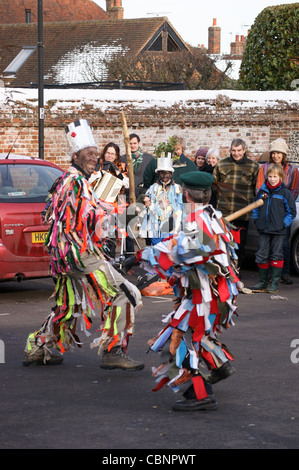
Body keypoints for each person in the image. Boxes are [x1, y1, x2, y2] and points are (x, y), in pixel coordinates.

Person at [23, 119, 144, 371]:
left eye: (95, 154)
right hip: (79, 256)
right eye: (88, 154)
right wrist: (130, 216)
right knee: (124, 293)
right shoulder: (75, 183)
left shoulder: (69, 180)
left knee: (70, 305)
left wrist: (124, 211)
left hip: (64, 257)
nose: (94, 158)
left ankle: (38, 347)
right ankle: (113, 351)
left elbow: (88, 213)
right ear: (76, 155)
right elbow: (93, 222)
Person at [139, 171, 239, 412]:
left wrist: (151, 255)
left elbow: (188, 255)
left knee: (177, 344)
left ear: (185, 194)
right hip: (212, 296)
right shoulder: (212, 216)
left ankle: (199, 394)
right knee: (197, 336)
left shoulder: (195, 221)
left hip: (201, 296)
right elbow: (184, 244)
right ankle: (219, 364)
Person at [256, 138, 299, 284]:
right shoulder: (264, 168)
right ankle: (266, 275)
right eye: (273, 153)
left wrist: (282, 203)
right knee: (265, 246)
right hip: (267, 210)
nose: (276, 156)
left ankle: (284, 273)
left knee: (283, 245)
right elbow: (259, 188)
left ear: (283, 154)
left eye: (278, 153)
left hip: (282, 211)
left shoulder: (292, 170)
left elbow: (294, 189)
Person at [213, 138, 259, 269]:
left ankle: (237, 271)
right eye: (233, 150)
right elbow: (214, 187)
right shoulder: (221, 165)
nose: (236, 153)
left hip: (243, 214)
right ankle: (224, 271)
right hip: (224, 214)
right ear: (230, 150)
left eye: (239, 150)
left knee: (240, 246)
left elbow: (257, 189)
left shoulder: (254, 166)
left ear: (244, 150)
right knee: (223, 244)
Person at [251, 164, 296, 294]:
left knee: (277, 255)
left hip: (279, 231)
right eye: (270, 176)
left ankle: (274, 284)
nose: (272, 179)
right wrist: (257, 221)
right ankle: (262, 282)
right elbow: (256, 207)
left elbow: (292, 212)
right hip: (264, 229)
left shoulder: (285, 193)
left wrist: (284, 224)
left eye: (275, 176)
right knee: (261, 255)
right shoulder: (262, 192)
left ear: (281, 177)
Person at [139, 154, 183, 245]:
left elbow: (180, 207)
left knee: (169, 248)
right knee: (157, 248)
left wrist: (170, 208)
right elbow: (147, 207)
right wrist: (158, 206)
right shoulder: (152, 189)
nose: (164, 176)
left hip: (171, 225)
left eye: (167, 173)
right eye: (162, 173)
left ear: (171, 174)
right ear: (158, 174)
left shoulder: (177, 189)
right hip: (155, 226)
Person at [120, 133, 154, 198]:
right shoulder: (122, 159)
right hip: (125, 193)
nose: (132, 145)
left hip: (143, 193)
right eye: (130, 143)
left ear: (139, 143)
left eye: (135, 143)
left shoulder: (149, 158)